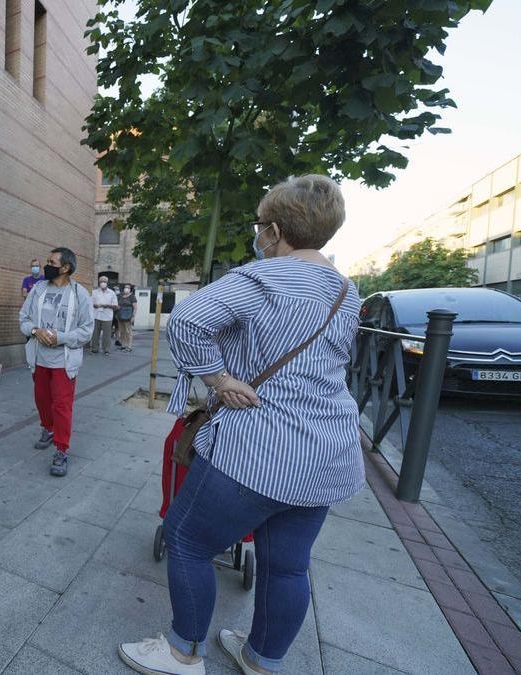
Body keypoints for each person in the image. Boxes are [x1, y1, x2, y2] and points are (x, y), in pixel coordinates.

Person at [117, 175, 363, 675]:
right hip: (327, 450)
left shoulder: (260, 277)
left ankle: (183, 651)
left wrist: (219, 377)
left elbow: (188, 322)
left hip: (257, 444)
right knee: (289, 564)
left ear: (273, 229)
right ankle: (261, 659)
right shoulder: (346, 290)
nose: (258, 234)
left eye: (260, 225)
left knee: (187, 540)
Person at [19, 247, 93, 477]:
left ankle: (61, 449)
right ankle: (48, 429)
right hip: (39, 358)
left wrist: (61, 338)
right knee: (42, 400)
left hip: (63, 361)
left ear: (65, 268)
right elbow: (24, 318)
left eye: (51, 262)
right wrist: (34, 330)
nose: (45, 266)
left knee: (61, 405)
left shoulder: (80, 293)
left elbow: (86, 331)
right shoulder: (38, 289)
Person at [89, 276, 118, 355]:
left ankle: (106, 350)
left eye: (104, 281)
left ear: (107, 283)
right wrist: (95, 306)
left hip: (107, 317)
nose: (103, 283)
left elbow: (115, 306)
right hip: (96, 316)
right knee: (95, 334)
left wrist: (105, 305)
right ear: (99, 282)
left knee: (106, 335)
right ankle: (94, 349)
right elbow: (90, 303)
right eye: (101, 281)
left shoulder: (112, 293)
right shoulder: (94, 292)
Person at [116, 284, 137, 352]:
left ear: (130, 289)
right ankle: (123, 345)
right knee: (122, 331)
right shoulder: (120, 296)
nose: (126, 289)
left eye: (128, 288)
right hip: (120, 316)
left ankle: (129, 346)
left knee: (128, 332)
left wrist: (133, 316)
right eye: (125, 287)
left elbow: (135, 307)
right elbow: (117, 304)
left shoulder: (132, 297)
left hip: (128, 317)